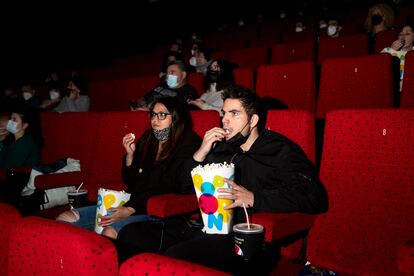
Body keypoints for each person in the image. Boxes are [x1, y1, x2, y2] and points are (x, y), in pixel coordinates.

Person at [116, 86, 329, 274]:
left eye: (234, 114)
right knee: (130, 234)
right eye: (224, 113)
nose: (225, 120)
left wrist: (254, 198)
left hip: (249, 239)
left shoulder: (280, 150)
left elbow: (314, 196)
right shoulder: (221, 148)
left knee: (177, 256)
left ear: (253, 120)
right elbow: (183, 186)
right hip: (206, 227)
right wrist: (201, 151)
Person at [57, 97, 201, 239]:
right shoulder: (148, 138)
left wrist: (131, 209)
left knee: (110, 232)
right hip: (132, 203)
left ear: (176, 118)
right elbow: (130, 182)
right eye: (153, 114)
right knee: (65, 218)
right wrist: (130, 155)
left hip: (156, 211)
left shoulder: (188, 143)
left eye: (162, 115)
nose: (155, 120)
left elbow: (170, 185)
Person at [131, 60, 198, 111]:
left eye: (172, 72)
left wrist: (151, 111)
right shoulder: (162, 85)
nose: (168, 75)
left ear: (183, 75)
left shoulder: (189, 92)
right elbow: (145, 97)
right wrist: (140, 102)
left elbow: (179, 112)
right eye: (167, 73)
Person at [381, 24, 414, 91]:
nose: (403, 36)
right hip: (393, 89)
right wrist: (391, 50)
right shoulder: (388, 51)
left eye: (407, 34)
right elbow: (377, 64)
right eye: (400, 34)